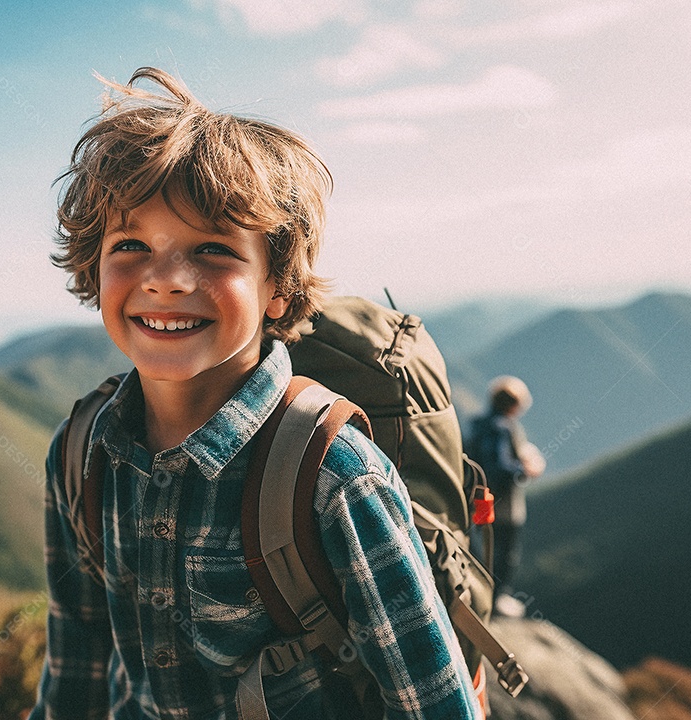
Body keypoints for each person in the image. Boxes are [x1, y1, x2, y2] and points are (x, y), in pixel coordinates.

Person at [28, 67, 480, 719]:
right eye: (130, 244)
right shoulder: (79, 453)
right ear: (92, 269)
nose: (165, 280)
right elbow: (75, 669)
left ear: (279, 289)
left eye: (211, 250)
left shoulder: (334, 477)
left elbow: (435, 705)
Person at [466, 376, 545, 617]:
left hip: (478, 500)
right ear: (515, 404)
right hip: (504, 506)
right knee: (505, 554)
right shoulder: (502, 427)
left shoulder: (478, 424)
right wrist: (527, 469)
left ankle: (480, 594)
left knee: (482, 548)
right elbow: (500, 469)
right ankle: (496, 599)